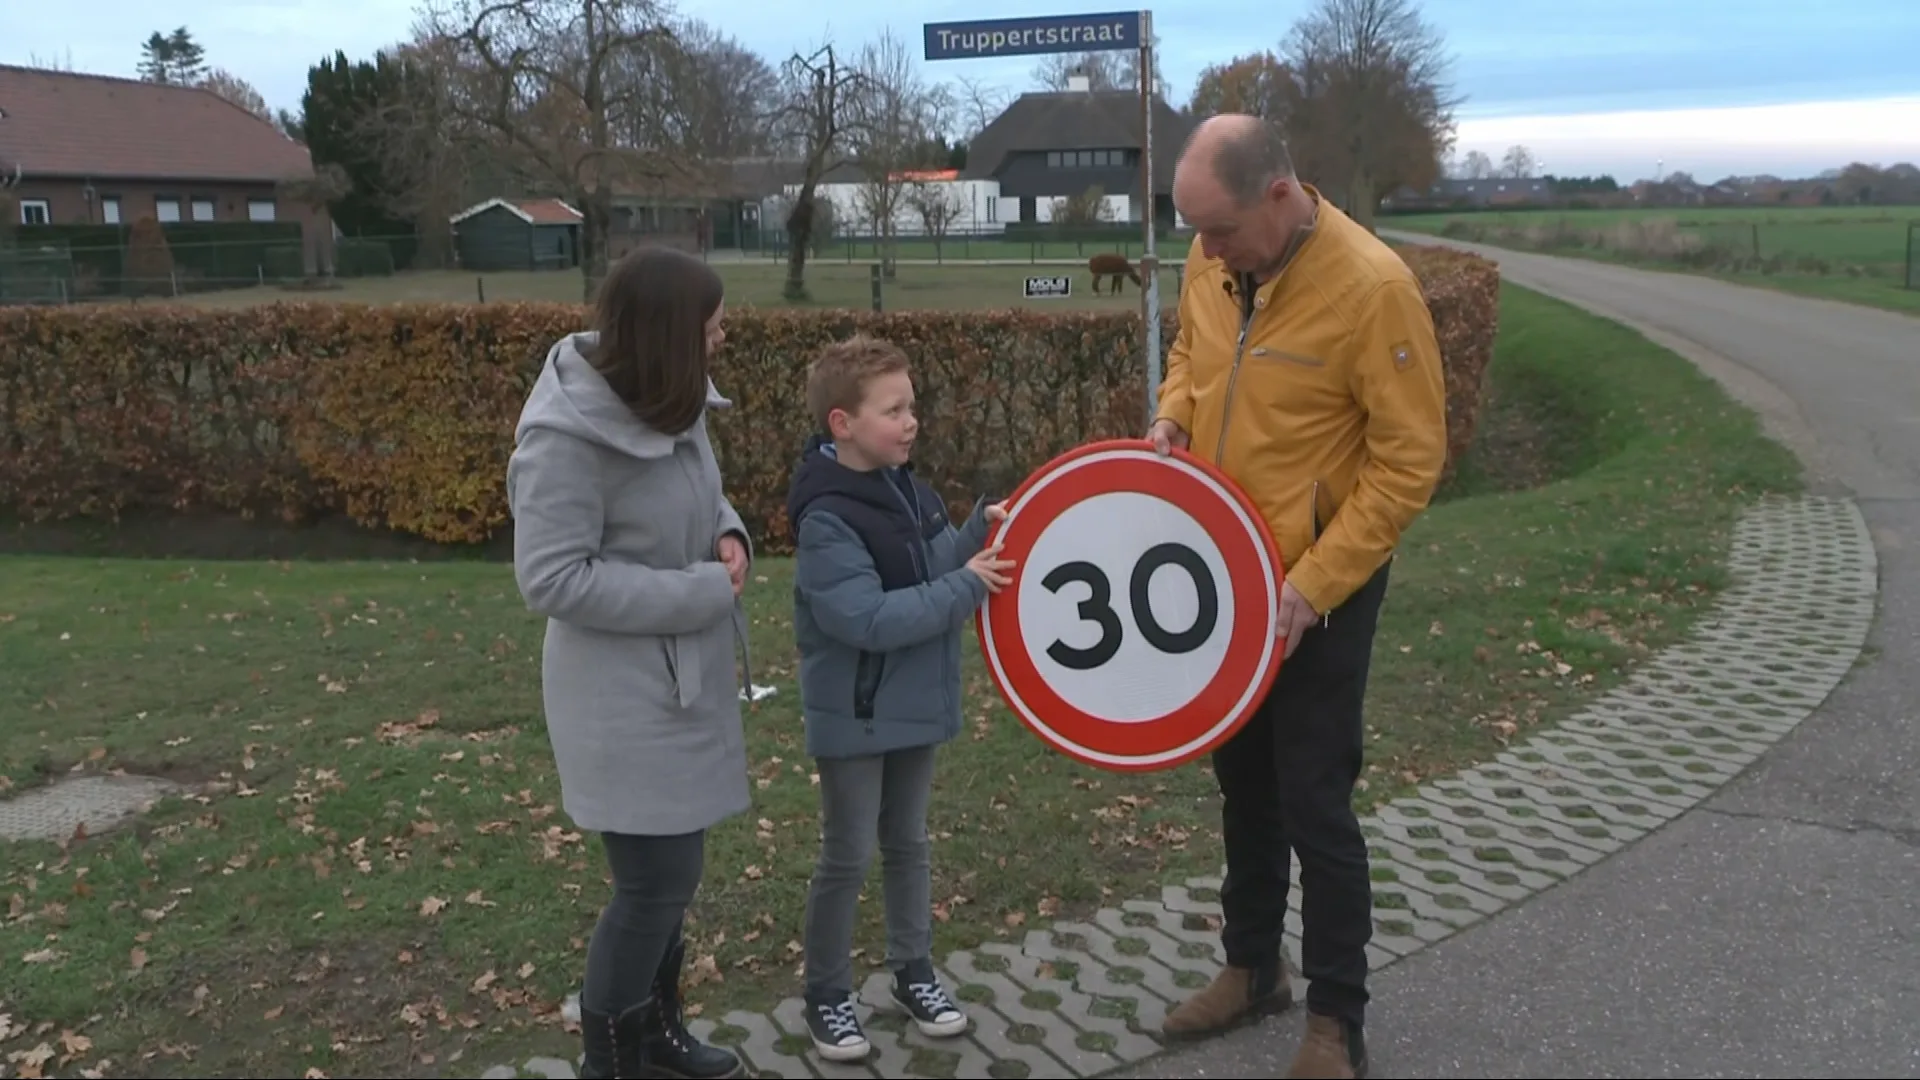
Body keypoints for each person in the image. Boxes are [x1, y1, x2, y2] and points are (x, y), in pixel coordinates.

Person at [1147, 114, 1449, 1079]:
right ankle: (1250, 969)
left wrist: (1314, 587)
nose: (1207, 247)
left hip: (1324, 582)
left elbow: (1409, 463)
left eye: (1221, 228)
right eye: (1195, 229)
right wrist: (1170, 421)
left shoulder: (1373, 290)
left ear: (1280, 193)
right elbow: (1195, 357)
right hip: (1226, 578)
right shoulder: (1214, 254)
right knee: (1243, 784)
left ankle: (1336, 1021)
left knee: (1315, 798)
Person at [506, 246, 755, 1080]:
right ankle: (609, 1059)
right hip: (617, 697)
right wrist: (698, 590)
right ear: (668, 335)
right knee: (654, 882)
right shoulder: (564, 438)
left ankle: (657, 1034)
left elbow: (697, 492)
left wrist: (727, 531)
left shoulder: (668, 400)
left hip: (683, 681)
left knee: (670, 883)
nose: (723, 338)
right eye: (711, 327)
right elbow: (552, 577)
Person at [783, 334, 1016, 1063]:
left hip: (914, 707)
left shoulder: (910, 493)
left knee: (909, 845)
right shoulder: (826, 519)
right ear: (843, 426)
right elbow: (869, 618)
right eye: (893, 410)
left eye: (912, 406)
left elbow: (933, 564)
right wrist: (966, 585)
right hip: (856, 715)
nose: (911, 421)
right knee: (848, 854)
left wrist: (977, 530)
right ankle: (827, 994)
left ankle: (913, 973)